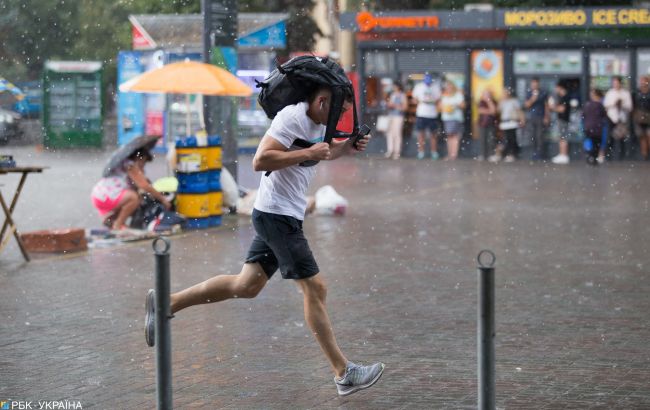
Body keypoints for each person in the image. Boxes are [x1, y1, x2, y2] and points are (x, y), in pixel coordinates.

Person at [144, 87, 384, 397]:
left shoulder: (317, 122)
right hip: (278, 216)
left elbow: (324, 150)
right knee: (315, 288)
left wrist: (347, 144)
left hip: (280, 214)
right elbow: (261, 159)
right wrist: (309, 153)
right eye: (338, 111)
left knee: (246, 286)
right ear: (323, 101)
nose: (339, 118)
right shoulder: (292, 117)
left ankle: (166, 303)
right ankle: (344, 372)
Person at [91, 148, 171, 230]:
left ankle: (112, 220)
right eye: (143, 162)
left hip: (100, 195)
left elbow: (141, 185)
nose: (143, 165)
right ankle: (118, 225)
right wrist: (163, 199)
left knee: (137, 198)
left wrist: (143, 177)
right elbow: (144, 186)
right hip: (106, 195)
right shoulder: (130, 164)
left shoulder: (124, 163)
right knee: (133, 198)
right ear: (139, 158)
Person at [601, 76, 632, 162]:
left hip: (622, 119)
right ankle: (609, 156)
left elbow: (630, 107)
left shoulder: (625, 93)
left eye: (617, 82)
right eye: (614, 83)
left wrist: (622, 105)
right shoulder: (610, 93)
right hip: (611, 118)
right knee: (610, 138)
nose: (615, 84)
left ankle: (621, 156)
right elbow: (605, 105)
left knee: (622, 138)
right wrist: (614, 104)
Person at [412, 73, 442, 160]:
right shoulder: (419, 87)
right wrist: (420, 101)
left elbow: (439, 99)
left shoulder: (436, 87)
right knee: (421, 134)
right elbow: (414, 98)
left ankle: (434, 152)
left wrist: (433, 102)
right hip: (421, 114)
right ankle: (421, 151)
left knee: (433, 134)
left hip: (432, 114)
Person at [496, 87, 525, 163]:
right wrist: (500, 101)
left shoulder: (514, 101)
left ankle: (512, 154)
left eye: (505, 93)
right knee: (505, 139)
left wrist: (522, 119)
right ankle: (506, 154)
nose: (504, 95)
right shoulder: (502, 102)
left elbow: (519, 111)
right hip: (504, 122)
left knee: (512, 138)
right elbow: (498, 111)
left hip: (512, 122)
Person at [523, 77, 550, 160]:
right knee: (533, 136)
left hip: (540, 117)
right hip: (531, 117)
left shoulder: (543, 92)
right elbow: (526, 105)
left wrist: (546, 116)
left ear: (538, 84)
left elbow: (546, 105)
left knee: (540, 136)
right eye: (533, 83)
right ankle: (534, 153)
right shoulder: (529, 93)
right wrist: (533, 99)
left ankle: (540, 154)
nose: (534, 85)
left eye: (536, 83)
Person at [440, 81, 466, 160]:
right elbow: (440, 106)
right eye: (448, 87)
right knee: (449, 136)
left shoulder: (458, 95)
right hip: (447, 118)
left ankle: (454, 154)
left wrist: (454, 105)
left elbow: (463, 105)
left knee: (455, 136)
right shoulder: (444, 95)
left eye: (450, 86)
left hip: (456, 118)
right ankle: (450, 153)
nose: (449, 88)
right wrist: (445, 108)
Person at [583, 89, 607, 166]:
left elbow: (583, 115)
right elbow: (604, 115)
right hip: (597, 128)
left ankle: (590, 156)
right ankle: (593, 158)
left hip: (588, 127)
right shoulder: (600, 105)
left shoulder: (588, 105)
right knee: (596, 143)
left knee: (590, 142)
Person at [385, 81, 408, 160]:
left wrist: (395, 105)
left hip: (398, 116)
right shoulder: (392, 95)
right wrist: (389, 105)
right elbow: (389, 104)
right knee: (390, 133)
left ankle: (397, 151)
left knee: (397, 133)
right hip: (391, 115)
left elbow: (405, 107)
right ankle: (390, 150)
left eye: (395, 86)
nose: (394, 88)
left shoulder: (402, 95)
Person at [550, 82, 572, 164]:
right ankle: (562, 154)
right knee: (562, 137)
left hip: (563, 120)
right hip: (562, 120)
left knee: (563, 137)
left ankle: (564, 155)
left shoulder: (565, 97)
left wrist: (553, 107)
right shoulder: (563, 97)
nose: (556, 90)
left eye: (557, 88)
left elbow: (562, 109)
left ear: (560, 88)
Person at [477, 88, 498, 161]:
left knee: (491, 139)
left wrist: (489, 102)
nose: (487, 96)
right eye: (485, 94)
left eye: (488, 94)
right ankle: (482, 154)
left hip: (491, 123)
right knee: (482, 139)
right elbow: (480, 111)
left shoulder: (494, 101)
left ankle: (491, 154)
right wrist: (489, 111)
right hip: (482, 123)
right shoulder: (481, 102)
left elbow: (494, 111)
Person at [633, 76, 650, 160]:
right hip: (639, 116)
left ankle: (647, 152)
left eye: (644, 81)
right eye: (641, 81)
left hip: (648, 116)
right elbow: (634, 104)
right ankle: (644, 154)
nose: (643, 83)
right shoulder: (637, 92)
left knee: (648, 135)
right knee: (642, 136)